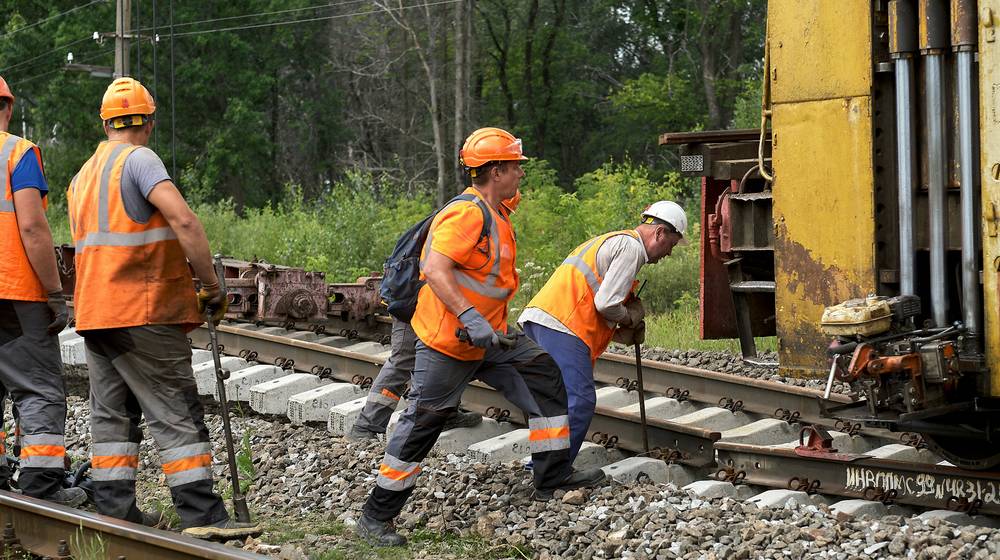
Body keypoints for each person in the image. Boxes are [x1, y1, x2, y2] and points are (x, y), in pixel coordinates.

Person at [356, 127, 605, 547]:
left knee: (544, 375)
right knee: (423, 424)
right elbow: (435, 269)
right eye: (514, 168)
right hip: (450, 342)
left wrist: (486, 324)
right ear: (494, 171)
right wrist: (470, 316)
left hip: (492, 337)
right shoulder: (467, 213)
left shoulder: (497, 211)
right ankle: (376, 516)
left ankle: (552, 475)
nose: (520, 175)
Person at [66, 77, 259, 538]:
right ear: (148, 123)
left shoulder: (83, 174)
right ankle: (202, 516)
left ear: (107, 123)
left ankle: (114, 508)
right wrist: (212, 286)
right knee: (175, 408)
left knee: (112, 415)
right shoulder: (140, 159)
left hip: (94, 313)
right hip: (142, 310)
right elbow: (185, 221)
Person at [518, 201, 688, 461]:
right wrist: (628, 318)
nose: (669, 253)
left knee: (553, 404)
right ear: (660, 233)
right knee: (580, 401)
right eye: (672, 244)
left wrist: (620, 329)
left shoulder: (613, 240)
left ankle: (541, 465)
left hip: (541, 320)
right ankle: (554, 470)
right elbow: (606, 303)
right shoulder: (631, 247)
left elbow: (596, 301)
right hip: (563, 325)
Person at [348, 191, 522, 441]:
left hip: (433, 303)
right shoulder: (467, 216)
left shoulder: (481, 217)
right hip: (415, 300)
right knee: (403, 361)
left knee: (450, 352)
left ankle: (447, 413)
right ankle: (366, 427)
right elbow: (437, 270)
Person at [0, 75, 85, 507]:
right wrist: (55, 292)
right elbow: (31, 225)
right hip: (13, 293)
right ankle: (41, 488)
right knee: (37, 390)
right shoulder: (18, 152)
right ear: (8, 108)